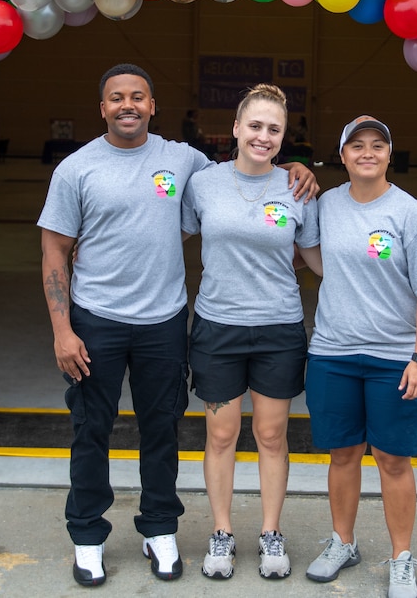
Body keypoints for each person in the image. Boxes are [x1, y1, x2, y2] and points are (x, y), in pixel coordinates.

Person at [37, 63, 318, 588]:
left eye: (138, 96)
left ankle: (159, 527)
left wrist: (296, 166)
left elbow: (245, 169)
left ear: (153, 105)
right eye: (116, 97)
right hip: (94, 319)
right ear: (102, 107)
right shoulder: (76, 168)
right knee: (90, 430)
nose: (128, 105)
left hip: (164, 320)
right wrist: (61, 328)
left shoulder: (183, 160)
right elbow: (54, 249)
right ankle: (88, 535)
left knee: (162, 427)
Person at [180, 84, 320, 581]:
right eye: (255, 126)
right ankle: (221, 533)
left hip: (279, 329)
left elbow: (319, 260)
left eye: (274, 129)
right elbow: (167, 237)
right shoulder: (203, 184)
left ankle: (270, 532)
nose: (263, 136)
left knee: (270, 434)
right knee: (221, 434)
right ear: (236, 129)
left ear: (284, 138)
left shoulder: (298, 188)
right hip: (217, 327)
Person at [302, 115, 417, 598]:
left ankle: (401, 557)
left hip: (393, 357)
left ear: (389, 154)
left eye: (377, 145)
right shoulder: (326, 205)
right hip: (332, 352)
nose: (367, 152)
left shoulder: (410, 214)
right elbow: (316, 257)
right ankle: (343, 542)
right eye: (356, 145)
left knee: (392, 458)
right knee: (343, 453)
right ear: (342, 155)